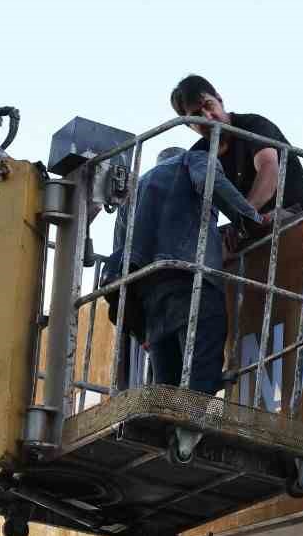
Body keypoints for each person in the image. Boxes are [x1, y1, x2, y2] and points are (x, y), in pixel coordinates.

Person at [107, 145, 262, 394]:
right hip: (191, 280)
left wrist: (137, 325)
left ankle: (170, 431)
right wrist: (251, 219)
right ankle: (192, 428)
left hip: (149, 298)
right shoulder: (192, 160)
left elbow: (119, 255)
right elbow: (211, 183)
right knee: (200, 373)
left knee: (166, 386)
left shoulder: (131, 197)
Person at [169, 75, 303, 253]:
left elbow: (268, 167)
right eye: (196, 116)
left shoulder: (252, 125)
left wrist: (244, 216)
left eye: (209, 106)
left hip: (296, 211)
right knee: (197, 250)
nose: (208, 117)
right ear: (189, 125)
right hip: (248, 226)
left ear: (219, 99)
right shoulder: (198, 155)